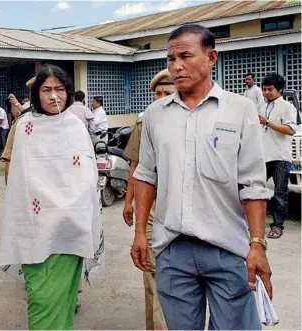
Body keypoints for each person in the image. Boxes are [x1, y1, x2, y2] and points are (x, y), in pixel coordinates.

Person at [131, 24, 273, 330]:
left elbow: (253, 183)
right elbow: (145, 175)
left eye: (185, 56)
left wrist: (257, 244)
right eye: (170, 59)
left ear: (211, 57)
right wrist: (140, 232)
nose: (176, 66)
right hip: (173, 250)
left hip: (227, 248)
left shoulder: (240, 109)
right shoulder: (156, 113)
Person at [0, 64, 103, 330]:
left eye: (60, 89)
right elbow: (20, 178)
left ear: (68, 93)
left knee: (65, 297)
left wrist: (73, 209)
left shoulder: (76, 126)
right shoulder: (26, 126)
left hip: (71, 228)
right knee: (42, 298)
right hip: (37, 229)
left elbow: (86, 178)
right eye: (47, 90)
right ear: (36, 95)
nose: (54, 95)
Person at [123, 69, 175, 331]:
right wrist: (128, 202)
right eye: (158, 93)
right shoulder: (145, 122)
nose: (162, 97)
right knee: (152, 272)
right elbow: (135, 166)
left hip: (180, 208)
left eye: (168, 93)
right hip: (152, 207)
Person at [258, 73, 297, 239]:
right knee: (254, 191)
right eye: (264, 89)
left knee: (280, 194)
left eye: (270, 89)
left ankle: (277, 226)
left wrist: (267, 122)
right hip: (261, 156)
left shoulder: (288, 108)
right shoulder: (260, 105)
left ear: (280, 90)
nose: (267, 92)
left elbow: (290, 130)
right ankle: (252, 224)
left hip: (280, 156)